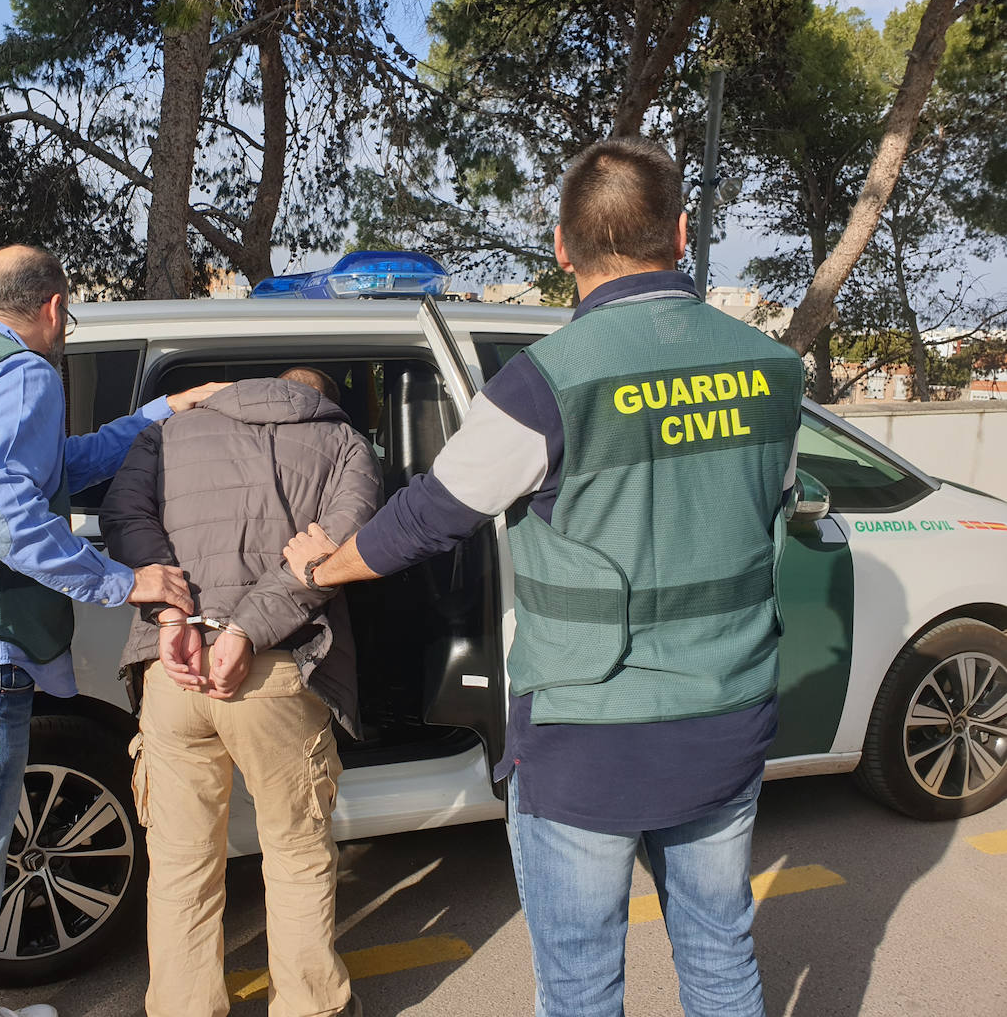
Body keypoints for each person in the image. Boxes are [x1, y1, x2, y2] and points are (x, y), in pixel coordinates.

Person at [284, 139, 805, 1017]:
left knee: (581, 985)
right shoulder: (773, 370)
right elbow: (773, 504)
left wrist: (322, 562)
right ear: (681, 233)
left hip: (587, 731)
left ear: (562, 246)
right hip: (725, 713)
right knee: (720, 959)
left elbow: (429, 515)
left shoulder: (545, 383)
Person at [0, 244, 221, 1017]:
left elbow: (52, 465)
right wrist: (122, 580)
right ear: (55, 305)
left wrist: (162, 413)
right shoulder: (24, 371)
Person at [100, 367, 382, 1017]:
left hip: (172, 667)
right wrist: (248, 630)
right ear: (321, 400)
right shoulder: (344, 444)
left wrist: (175, 613)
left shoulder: (166, 433)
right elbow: (342, 546)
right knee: (296, 851)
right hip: (277, 670)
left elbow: (123, 515)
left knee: (180, 863)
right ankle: (310, 1006)